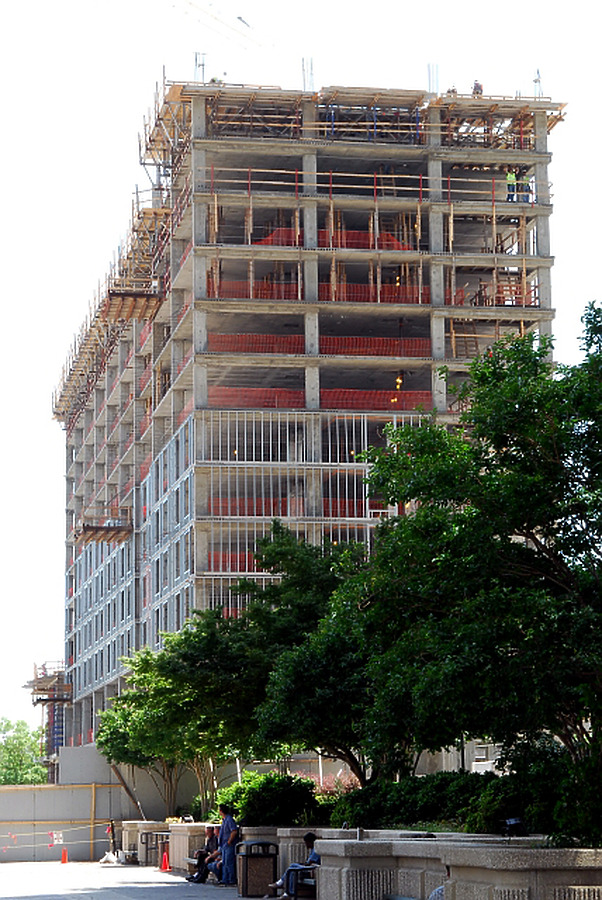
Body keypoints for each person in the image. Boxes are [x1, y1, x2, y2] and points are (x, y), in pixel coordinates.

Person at [264, 832, 320, 899]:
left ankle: (283, 887)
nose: (305, 844)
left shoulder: (316, 850)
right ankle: (286, 890)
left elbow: (309, 863)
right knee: (292, 869)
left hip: (311, 869)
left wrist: (300, 864)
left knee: (293, 869)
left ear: (310, 842)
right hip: (309, 868)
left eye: (306, 842)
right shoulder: (313, 849)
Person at [211, 803, 238, 886]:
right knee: (225, 863)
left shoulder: (229, 819)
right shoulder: (224, 820)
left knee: (229, 863)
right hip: (224, 845)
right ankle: (225, 880)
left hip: (228, 845)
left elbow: (234, 831)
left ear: (221, 811)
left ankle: (231, 880)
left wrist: (229, 841)